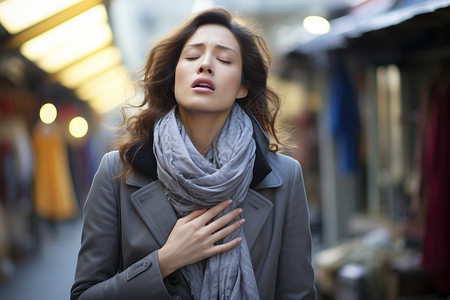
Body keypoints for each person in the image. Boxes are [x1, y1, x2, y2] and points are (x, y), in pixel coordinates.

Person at [71, 7, 316, 300]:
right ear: (174, 76)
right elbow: (84, 295)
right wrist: (164, 261)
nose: (206, 65)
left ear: (242, 86)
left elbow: (297, 294)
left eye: (224, 59)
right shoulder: (118, 172)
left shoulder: (284, 178)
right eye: (192, 56)